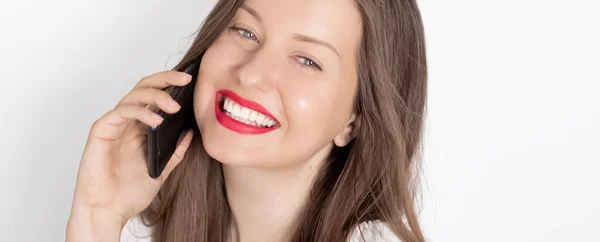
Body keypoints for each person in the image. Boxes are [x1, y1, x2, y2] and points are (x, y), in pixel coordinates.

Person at [65, 0, 428, 241]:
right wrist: (98, 216)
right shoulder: (175, 225)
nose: (251, 73)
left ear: (355, 120)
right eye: (246, 32)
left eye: (306, 60)